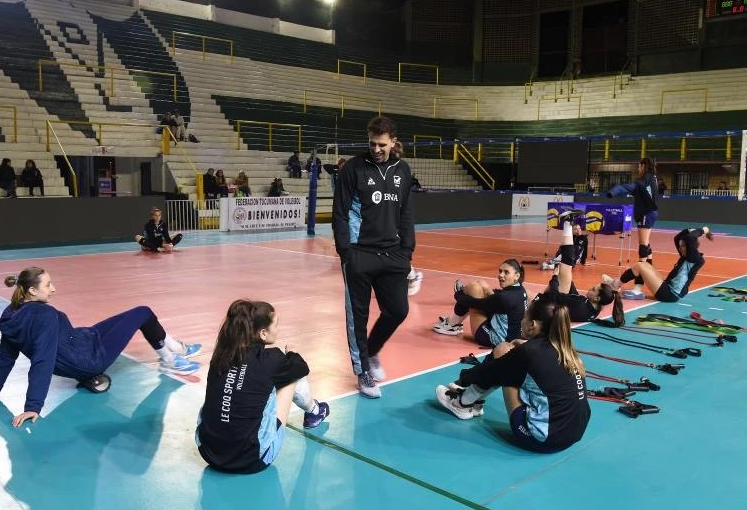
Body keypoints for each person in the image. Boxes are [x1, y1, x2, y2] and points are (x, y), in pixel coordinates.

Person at [0, 267, 201, 427]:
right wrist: (33, 406)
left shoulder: (12, 313)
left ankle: (175, 350)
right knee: (143, 312)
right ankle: (172, 356)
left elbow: (5, 356)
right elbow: (42, 360)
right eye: (48, 284)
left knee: (136, 314)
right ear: (32, 290)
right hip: (88, 359)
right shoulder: (45, 316)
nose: (53, 288)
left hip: (85, 339)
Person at [434, 295, 591, 454]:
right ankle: (474, 402)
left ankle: (462, 402)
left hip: (541, 440)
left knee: (503, 354)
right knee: (513, 362)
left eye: (525, 316)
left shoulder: (529, 352)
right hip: (573, 435)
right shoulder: (568, 351)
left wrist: (463, 378)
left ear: (533, 325)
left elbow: (491, 370)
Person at [195, 300, 330, 473]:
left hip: (208, 452)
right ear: (263, 334)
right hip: (252, 461)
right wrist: (292, 353)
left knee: (247, 389)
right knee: (291, 376)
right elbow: (302, 367)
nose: (278, 329)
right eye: (276, 325)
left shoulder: (220, 356)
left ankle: (314, 410)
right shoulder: (272, 359)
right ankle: (314, 411)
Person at [332, 116, 415, 398]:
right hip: (360, 254)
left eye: (381, 144)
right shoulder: (352, 169)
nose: (376, 149)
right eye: (372, 143)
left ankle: (372, 351)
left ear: (392, 141)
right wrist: (346, 253)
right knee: (358, 316)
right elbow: (340, 213)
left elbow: (406, 213)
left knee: (398, 310)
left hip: (393, 254)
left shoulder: (402, 170)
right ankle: (362, 371)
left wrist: (407, 252)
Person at [544, 210, 624, 324]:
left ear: (597, 298)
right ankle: (567, 222)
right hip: (554, 306)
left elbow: (553, 296)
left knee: (567, 264)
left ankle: (567, 222)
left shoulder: (581, 305)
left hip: (546, 306)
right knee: (567, 266)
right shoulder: (594, 307)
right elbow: (575, 296)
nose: (590, 288)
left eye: (593, 290)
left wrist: (555, 278)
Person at [433, 259, 528, 348]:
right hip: (512, 336)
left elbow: (474, 303)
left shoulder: (505, 298)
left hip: (497, 340)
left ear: (517, 275)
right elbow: (496, 295)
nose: (501, 275)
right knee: (482, 284)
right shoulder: (520, 290)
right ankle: (452, 323)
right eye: (500, 271)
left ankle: (451, 325)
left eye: (506, 272)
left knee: (474, 288)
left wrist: (458, 294)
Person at [604, 227, 713, 303]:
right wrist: (688, 230)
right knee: (645, 264)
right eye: (680, 246)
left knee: (640, 266)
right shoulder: (686, 256)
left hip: (670, 294)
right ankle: (627, 287)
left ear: (691, 247)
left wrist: (703, 230)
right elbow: (677, 238)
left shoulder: (695, 259)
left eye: (682, 246)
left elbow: (689, 238)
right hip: (667, 288)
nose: (680, 248)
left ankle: (616, 284)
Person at [606, 157, 660, 299]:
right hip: (651, 213)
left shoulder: (645, 179)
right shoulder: (653, 178)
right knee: (646, 247)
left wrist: (614, 191)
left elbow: (632, 187)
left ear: (643, 166)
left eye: (639, 166)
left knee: (643, 247)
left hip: (646, 214)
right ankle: (650, 276)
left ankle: (637, 288)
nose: (638, 169)